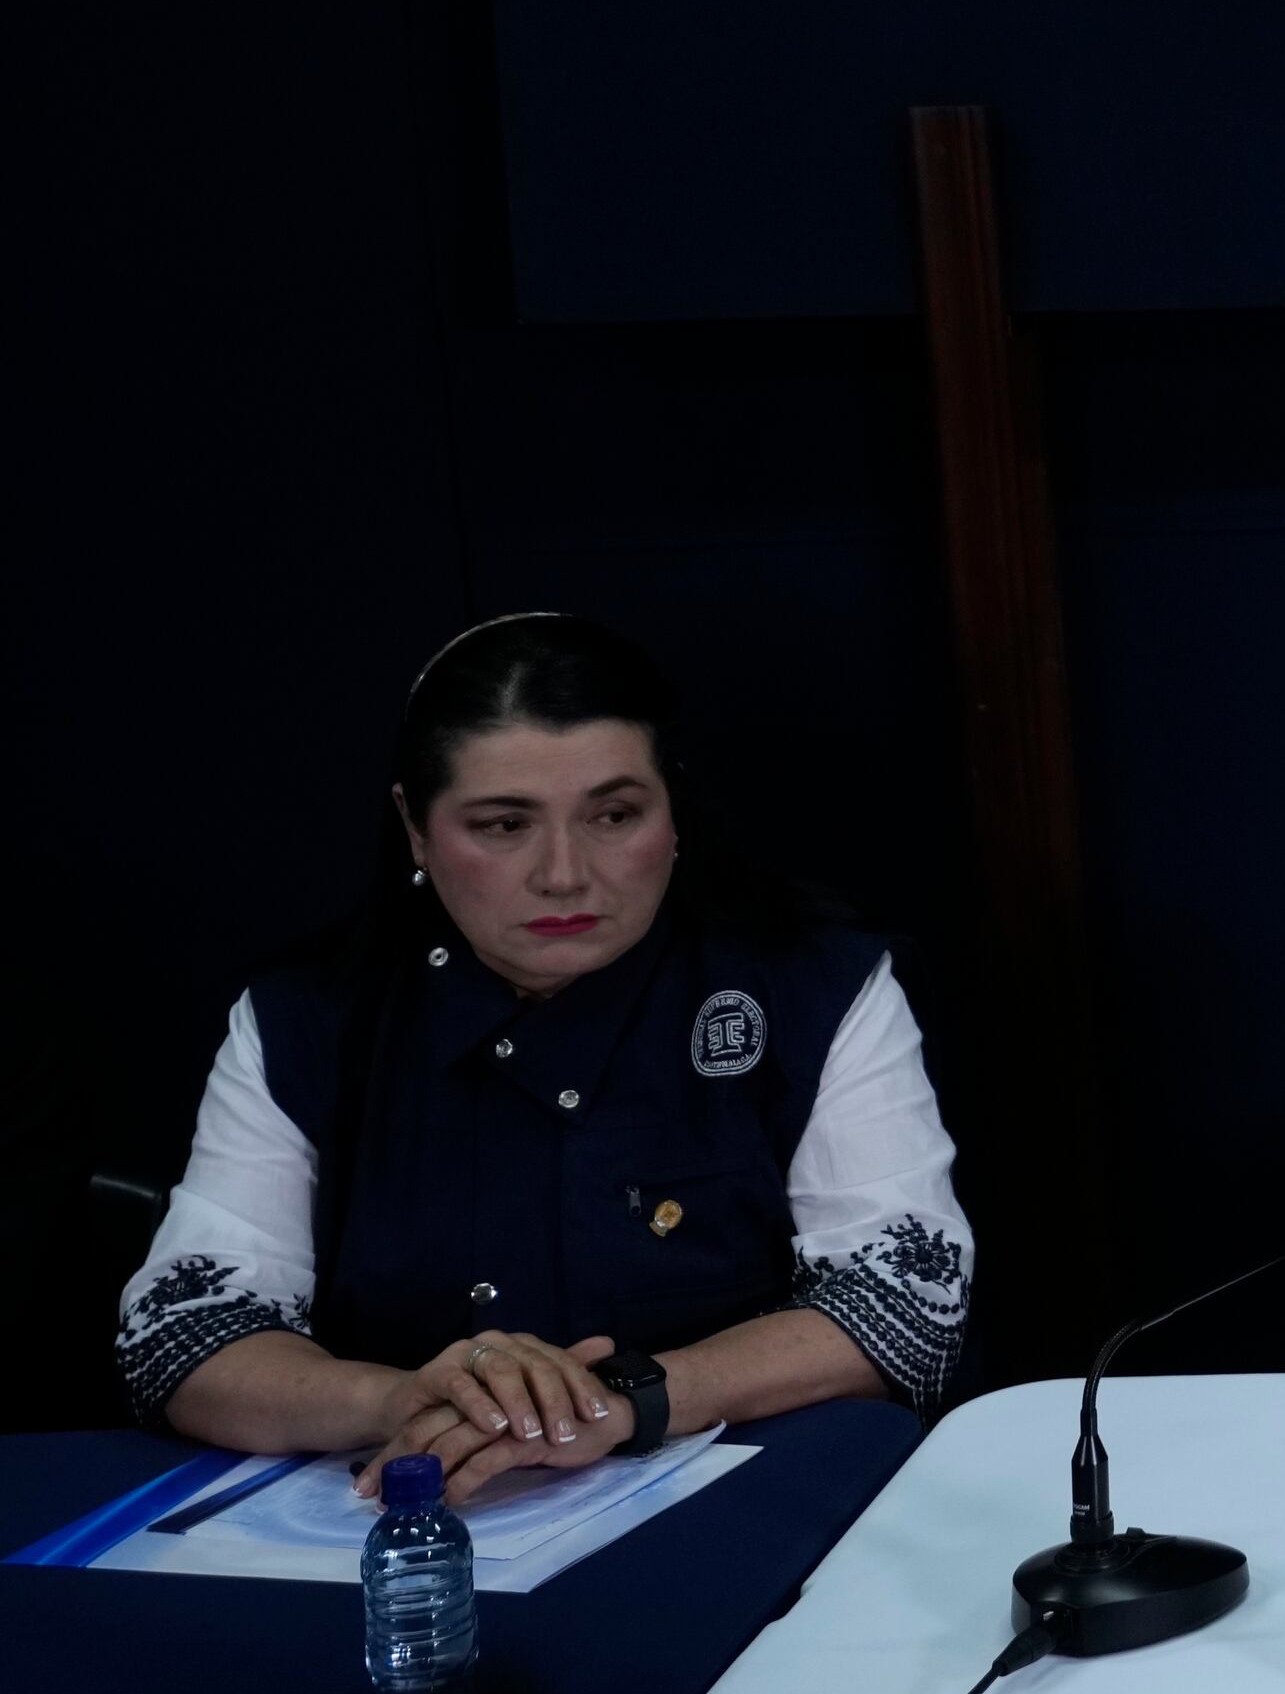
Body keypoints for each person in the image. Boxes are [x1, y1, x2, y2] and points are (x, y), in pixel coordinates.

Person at [115, 614, 971, 1497]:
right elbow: (183, 1332)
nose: (564, 873)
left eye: (614, 815)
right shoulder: (311, 1019)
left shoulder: (810, 987)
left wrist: (622, 1400)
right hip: (401, 1517)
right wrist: (406, 1399)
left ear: (673, 812)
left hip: (745, 1506)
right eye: (503, 824)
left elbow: (906, 1303)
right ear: (415, 826)